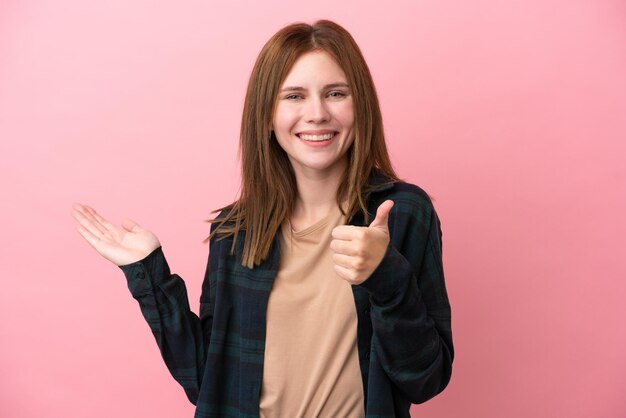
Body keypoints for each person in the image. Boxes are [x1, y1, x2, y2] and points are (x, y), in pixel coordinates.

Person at [71, 19, 453, 418]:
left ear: (361, 105)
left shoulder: (403, 214)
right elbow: (209, 381)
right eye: (294, 96)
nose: (317, 113)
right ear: (267, 115)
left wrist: (387, 277)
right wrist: (148, 273)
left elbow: (425, 380)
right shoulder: (236, 232)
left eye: (336, 93)